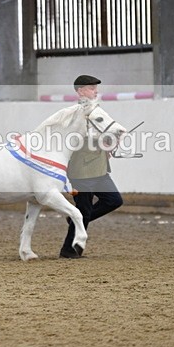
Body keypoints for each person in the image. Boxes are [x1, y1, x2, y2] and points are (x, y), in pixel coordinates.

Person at [60, 74, 123, 259]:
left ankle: (74, 219)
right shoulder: (75, 113)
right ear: (80, 91)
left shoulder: (96, 111)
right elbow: (76, 138)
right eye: (91, 88)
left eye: (95, 88)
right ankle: (69, 250)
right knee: (84, 210)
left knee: (114, 200)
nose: (96, 91)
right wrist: (101, 140)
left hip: (99, 168)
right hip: (81, 169)